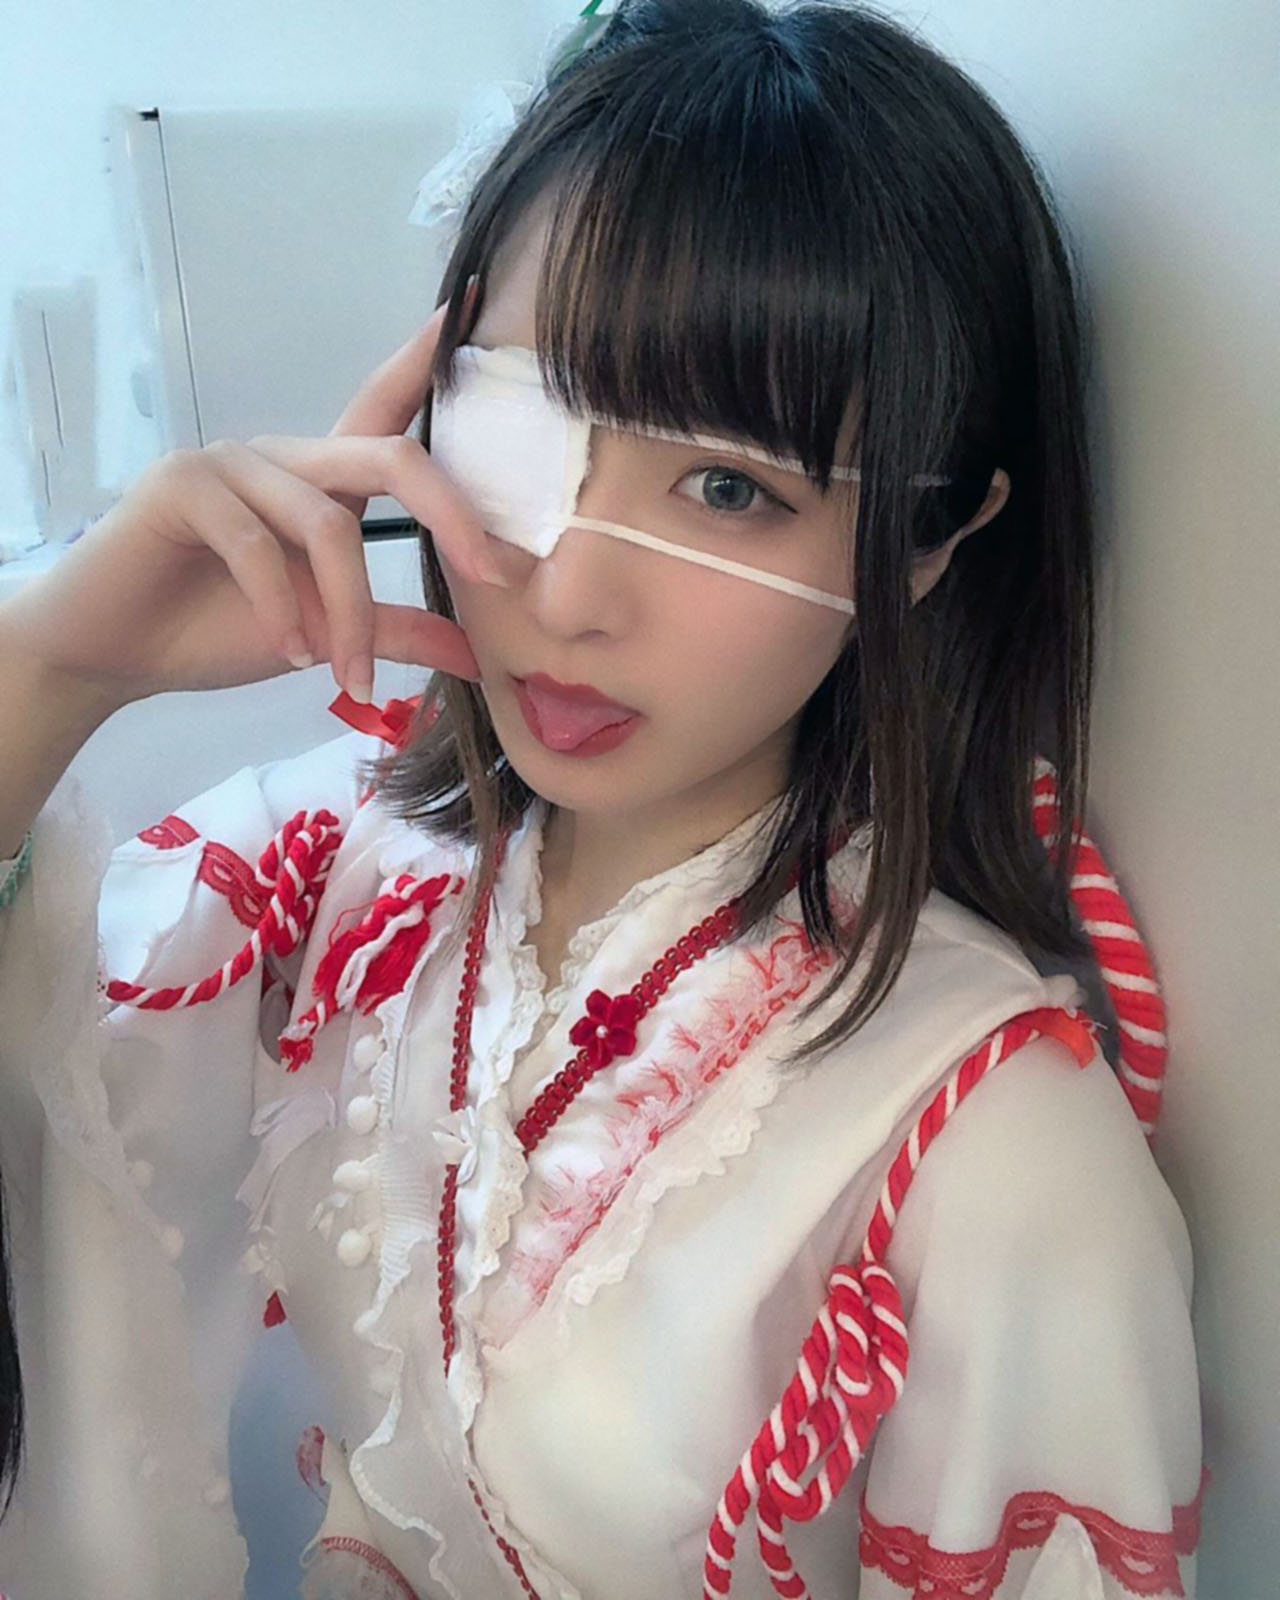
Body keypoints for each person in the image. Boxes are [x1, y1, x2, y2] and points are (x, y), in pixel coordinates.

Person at [0, 1, 1205, 1595]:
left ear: (930, 542)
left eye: (728, 488)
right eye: (527, 428)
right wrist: (52, 669)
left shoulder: (986, 1138)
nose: (565, 597)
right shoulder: (341, 862)